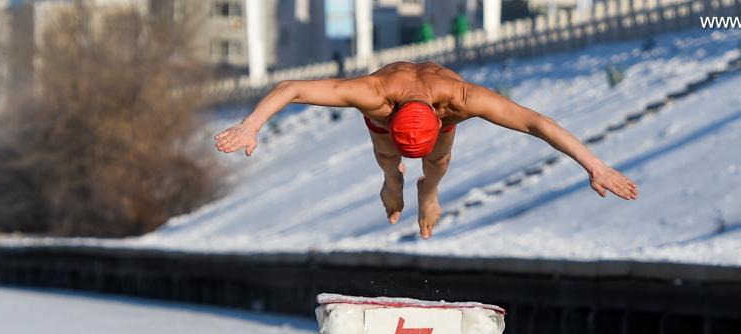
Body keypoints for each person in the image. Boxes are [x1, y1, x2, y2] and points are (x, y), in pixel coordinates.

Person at [215, 61, 638, 239]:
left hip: (432, 119)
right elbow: (291, 88)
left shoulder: (461, 99)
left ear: (439, 118)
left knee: (438, 163)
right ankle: (393, 179)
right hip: (389, 122)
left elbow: (536, 122)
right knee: (388, 159)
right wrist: (251, 125)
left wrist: (594, 165)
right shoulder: (373, 95)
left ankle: (429, 191)